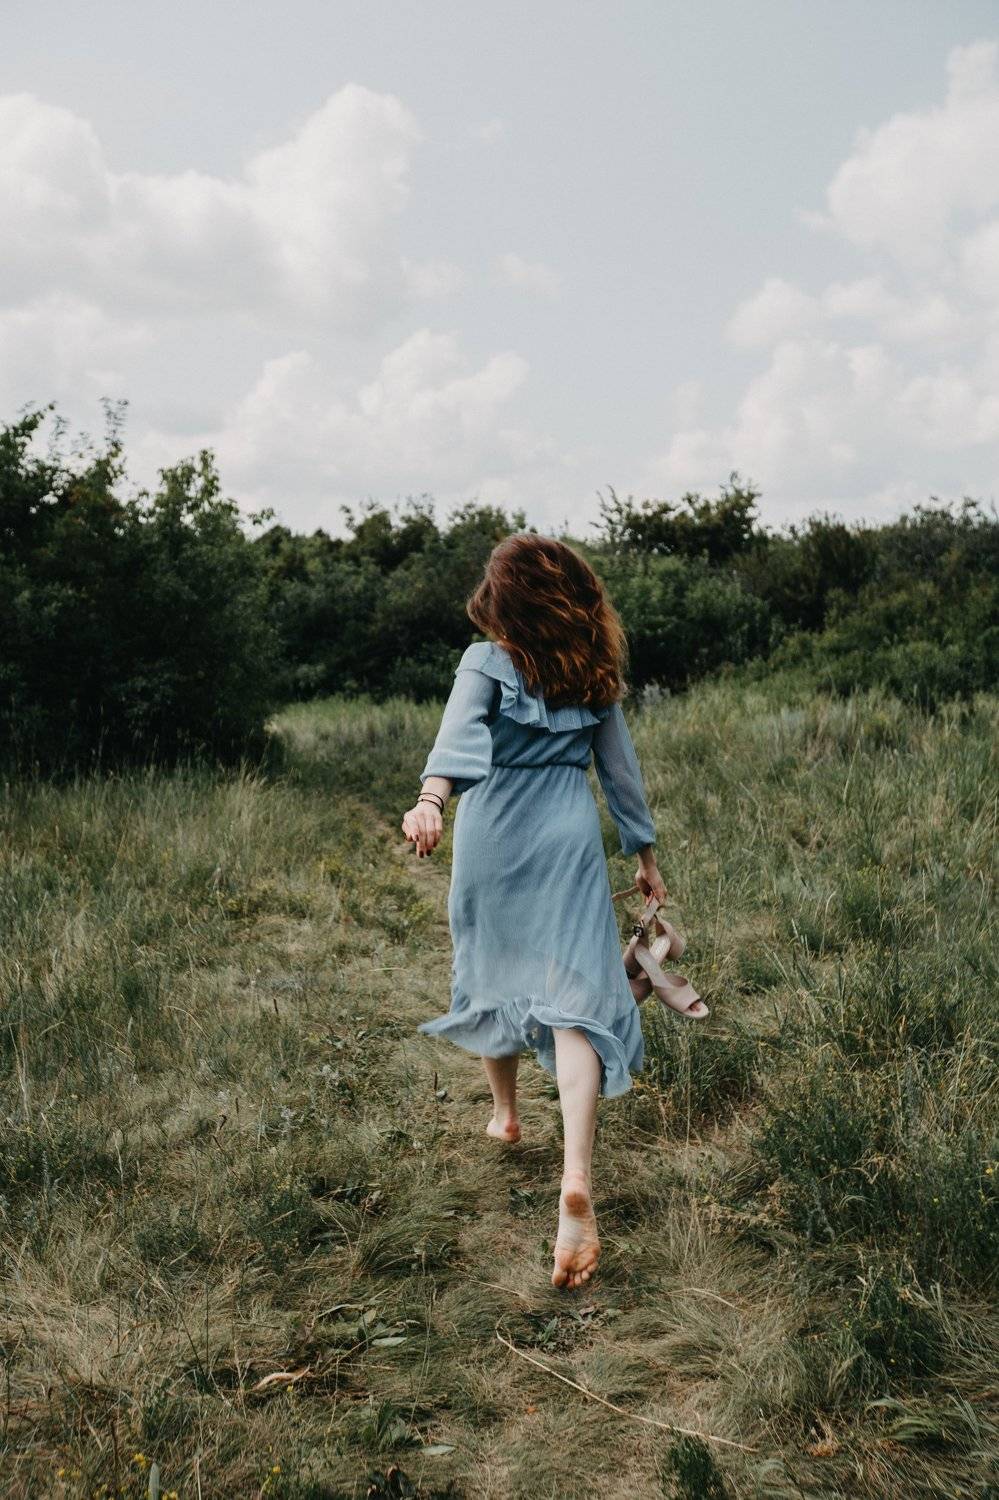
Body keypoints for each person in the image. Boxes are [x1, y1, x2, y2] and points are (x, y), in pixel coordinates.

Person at [400, 533, 667, 1291]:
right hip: (565, 831)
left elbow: (456, 737)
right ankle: (575, 1175)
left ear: (504, 600)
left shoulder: (485, 661)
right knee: (575, 996)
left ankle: (505, 1114)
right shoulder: (593, 667)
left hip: (493, 828)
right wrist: (645, 857)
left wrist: (430, 801)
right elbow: (620, 773)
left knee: (491, 970)